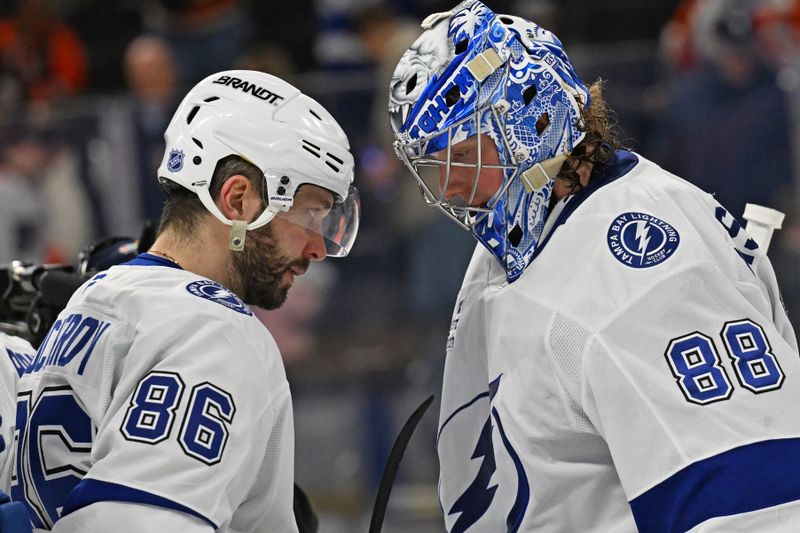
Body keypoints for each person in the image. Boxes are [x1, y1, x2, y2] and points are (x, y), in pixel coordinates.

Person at [388, 1, 800, 531]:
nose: (450, 190)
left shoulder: (642, 274)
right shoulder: (528, 235)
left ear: (529, 123)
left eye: (462, 156)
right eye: (434, 166)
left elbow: (756, 509)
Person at [12, 69, 360, 532]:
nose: (318, 248)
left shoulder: (91, 299)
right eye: (312, 213)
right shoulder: (214, 332)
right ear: (238, 201)